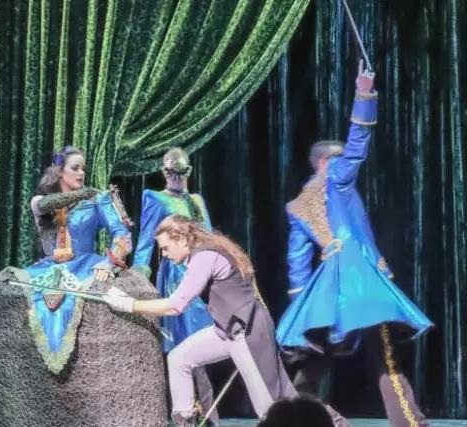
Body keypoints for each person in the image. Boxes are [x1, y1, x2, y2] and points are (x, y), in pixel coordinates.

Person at [276, 61, 432, 427]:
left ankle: (300, 417)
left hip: (327, 291)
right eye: (339, 157)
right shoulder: (338, 177)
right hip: (360, 279)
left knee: (318, 355)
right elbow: (359, 145)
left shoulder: (297, 204)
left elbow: (297, 262)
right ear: (326, 162)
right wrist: (364, 94)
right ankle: (408, 421)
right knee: (383, 352)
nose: (346, 162)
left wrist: (302, 307)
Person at [104, 215, 348, 427]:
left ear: (182, 240)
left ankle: (336, 424)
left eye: (166, 248)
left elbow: (176, 305)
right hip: (226, 331)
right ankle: (185, 422)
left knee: (271, 405)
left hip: (247, 332)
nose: (165, 255)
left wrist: (130, 304)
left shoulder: (204, 257)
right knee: (179, 358)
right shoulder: (202, 253)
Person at [26, 146, 132, 373]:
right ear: (59, 171)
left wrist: (109, 262)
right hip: (50, 267)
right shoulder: (40, 201)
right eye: (75, 168)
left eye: (83, 168)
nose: (81, 173)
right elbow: (46, 204)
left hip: (84, 264)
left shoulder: (97, 200)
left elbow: (122, 234)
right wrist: (83, 193)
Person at [132, 147, 216, 424]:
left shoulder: (196, 201)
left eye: (182, 172)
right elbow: (146, 241)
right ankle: (187, 414)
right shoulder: (156, 199)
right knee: (182, 345)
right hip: (174, 277)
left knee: (201, 346)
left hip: (199, 274)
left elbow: (210, 238)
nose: (177, 178)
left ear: (189, 172)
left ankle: (207, 415)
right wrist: (139, 275)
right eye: (171, 172)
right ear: (164, 172)